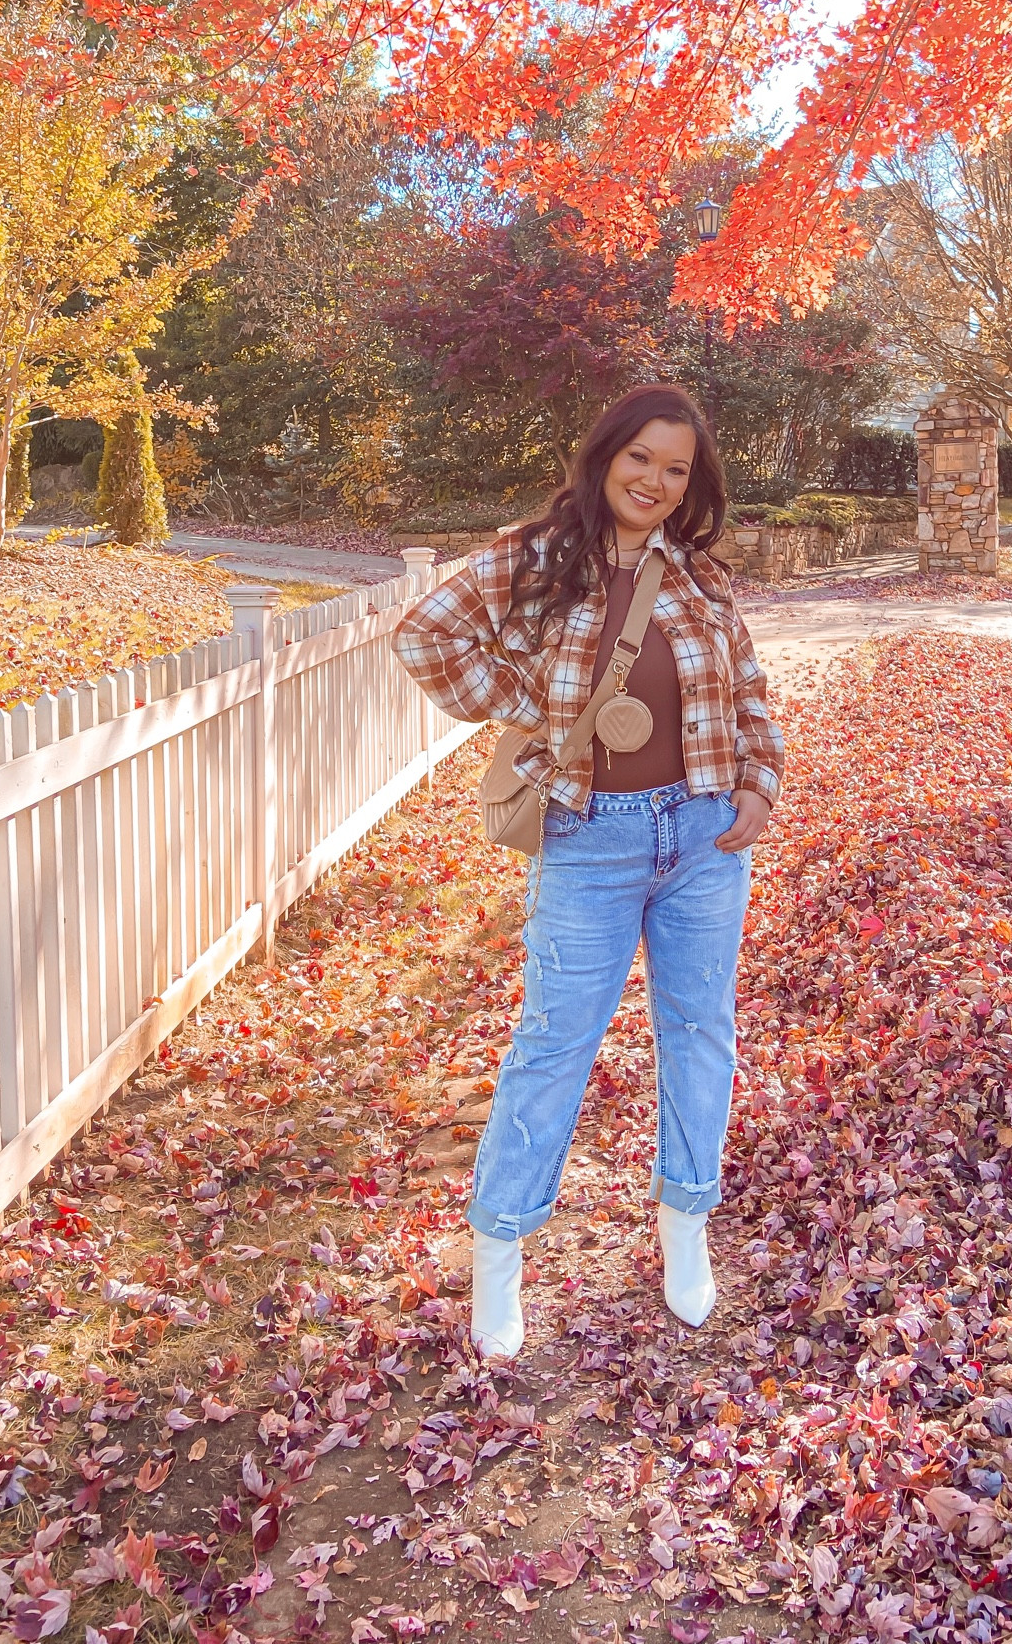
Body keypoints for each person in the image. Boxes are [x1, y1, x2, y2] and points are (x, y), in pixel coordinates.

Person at [393, 384, 784, 1357]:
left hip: (700, 838)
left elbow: (749, 691)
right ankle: (500, 1249)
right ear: (608, 453)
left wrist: (760, 784)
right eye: (641, 456)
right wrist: (520, 708)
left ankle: (684, 1229)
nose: (655, 479)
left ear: (692, 484)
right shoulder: (535, 555)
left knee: (701, 1036)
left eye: (677, 467)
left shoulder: (695, 574)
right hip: (590, 841)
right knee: (553, 1045)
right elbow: (423, 634)